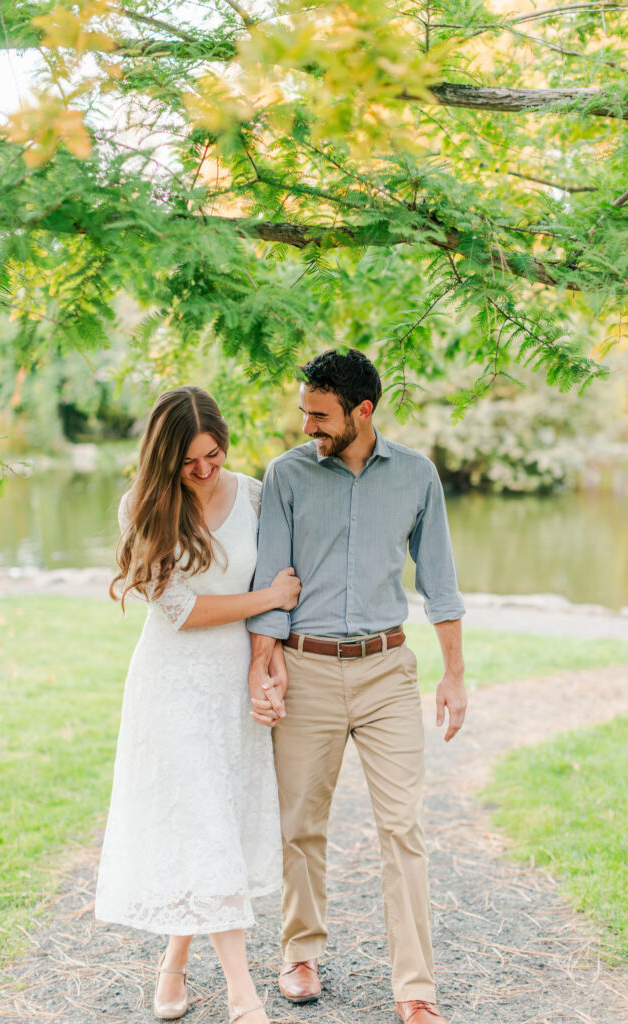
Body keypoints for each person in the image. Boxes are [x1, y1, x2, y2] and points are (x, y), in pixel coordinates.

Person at [246, 349, 466, 1024]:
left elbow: (439, 582)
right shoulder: (285, 475)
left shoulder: (416, 476)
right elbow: (270, 585)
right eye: (305, 411)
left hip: (385, 672)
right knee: (299, 825)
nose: (306, 424)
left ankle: (414, 987)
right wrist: (263, 663)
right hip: (305, 667)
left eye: (319, 414)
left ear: (361, 411)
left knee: (402, 827)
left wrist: (453, 674)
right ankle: (299, 950)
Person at [95, 385, 301, 1023]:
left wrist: (271, 663)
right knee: (206, 826)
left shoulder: (257, 496)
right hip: (172, 687)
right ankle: (244, 994)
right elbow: (180, 610)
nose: (206, 470)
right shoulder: (143, 507)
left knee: (213, 828)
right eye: (190, 462)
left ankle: (173, 965)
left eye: (213, 455)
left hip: (231, 685)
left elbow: (283, 595)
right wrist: (268, 597)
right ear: (164, 461)